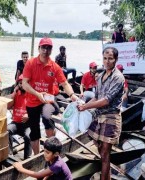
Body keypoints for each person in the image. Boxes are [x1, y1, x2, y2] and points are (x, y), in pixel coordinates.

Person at [22, 37, 78, 155]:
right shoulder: (30, 63)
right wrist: (37, 94)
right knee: (34, 131)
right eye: (43, 47)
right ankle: (37, 155)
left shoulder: (54, 67)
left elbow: (65, 83)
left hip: (47, 100)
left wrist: (72, 95)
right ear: (39, 48)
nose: (45, 50)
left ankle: (50, 148)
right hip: (32, 100)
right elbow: (24, 83)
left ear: (51, 50)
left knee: (47, 117)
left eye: (48, 48)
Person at [78, 47, 125, 180]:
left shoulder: (118, 77)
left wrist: (86, 106)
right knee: (101, 152)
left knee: (105, 154)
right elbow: (96, 97)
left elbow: (106, 101)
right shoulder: (100, 77)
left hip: (111, 117)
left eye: (110, 58)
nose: (107, 61)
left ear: (115, 59)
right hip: (98, 116)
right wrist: (84, 105)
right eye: (105, 58)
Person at [7, 75, 32, 160]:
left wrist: (28, 115)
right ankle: (9, 154)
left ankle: (27, 158)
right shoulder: (16, 94)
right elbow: (8, 106)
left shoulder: (32, 95)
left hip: (28, 124)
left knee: (28, 136)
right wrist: (14, 93)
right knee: (7, 130)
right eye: (20, 83)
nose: (22, 85)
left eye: (23, 83)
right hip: (16, 123)